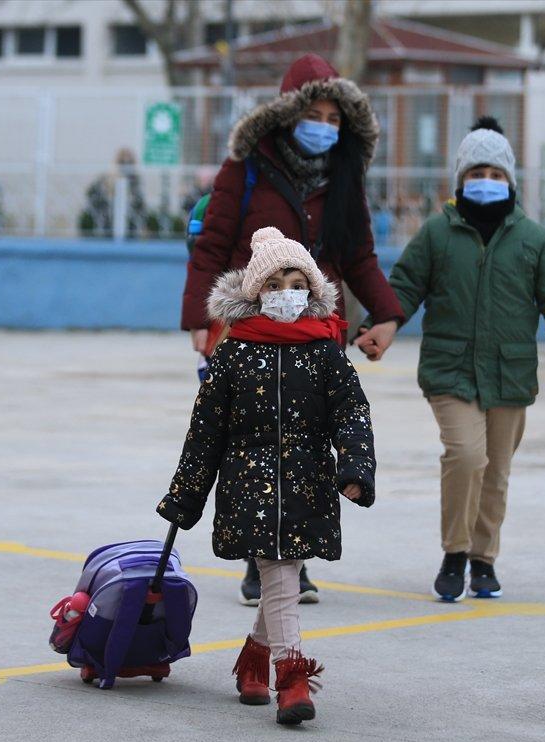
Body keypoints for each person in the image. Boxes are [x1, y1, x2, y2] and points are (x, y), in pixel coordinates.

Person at [182, 52, 405, 605]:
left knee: (306, 447)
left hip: (315, 329)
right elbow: (211, 245)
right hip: (244, 327)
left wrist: (389, 316)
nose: (325, 128)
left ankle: (293, 562)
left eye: (336, 120)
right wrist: (197, 319)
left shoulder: (344, 178)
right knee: (247, 445)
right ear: (288, 113)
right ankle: (261, 565)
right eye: (316, 115)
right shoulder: (247, 167)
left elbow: (359, 256)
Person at [354, 117, 545, 602]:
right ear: (460, 180)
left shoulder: (532, 240)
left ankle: (483, 558)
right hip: (450, 371)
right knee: (467, 456)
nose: (486, 183)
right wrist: (379, 326)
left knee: (496, 471)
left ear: (510, 181)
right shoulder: (436, 234)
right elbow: (404, 287)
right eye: (477, 174)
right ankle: (454, 551)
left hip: (510, 374)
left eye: (495, 175)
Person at [157, 226, 375, 725]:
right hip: (249, 486)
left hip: (307, 484)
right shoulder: (233, 354)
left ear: (313, 289)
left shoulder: (325, 352)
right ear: (255, 294)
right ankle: (292, 677)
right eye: (273, 285)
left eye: (296, 282)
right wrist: (185, 496)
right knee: (281, 575)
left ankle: (253, 660)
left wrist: (356, 467)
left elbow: (352, 415)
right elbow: (205, 433)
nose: (285, 295)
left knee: (282, 577)